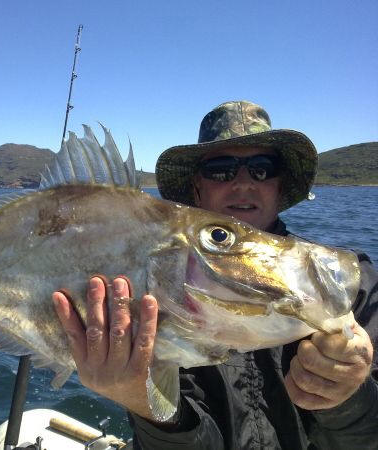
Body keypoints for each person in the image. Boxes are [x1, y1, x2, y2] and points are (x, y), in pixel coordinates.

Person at [51, 101, 378, 449]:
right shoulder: (167, 284)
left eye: (262, 168)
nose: (242, 183)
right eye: (221, 169)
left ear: (279, 186)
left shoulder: (340, 283)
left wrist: (348, 398)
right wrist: (143, 403)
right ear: (197, 188)